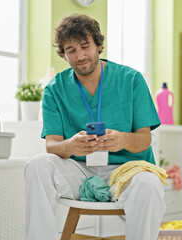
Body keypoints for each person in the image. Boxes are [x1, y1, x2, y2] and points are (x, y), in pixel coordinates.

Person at [24, 14, 165, 240]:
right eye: (71, 50)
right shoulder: (54, 89)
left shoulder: (131, 80)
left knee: (149, 183)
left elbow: (144, 140)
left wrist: (122, 140)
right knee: (37, 165)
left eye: (85, 46)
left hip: (125, 171)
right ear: (63, 54)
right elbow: (52, 144)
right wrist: (70, 145)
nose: (80, 56)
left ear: (99, 45)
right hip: (79, 170)